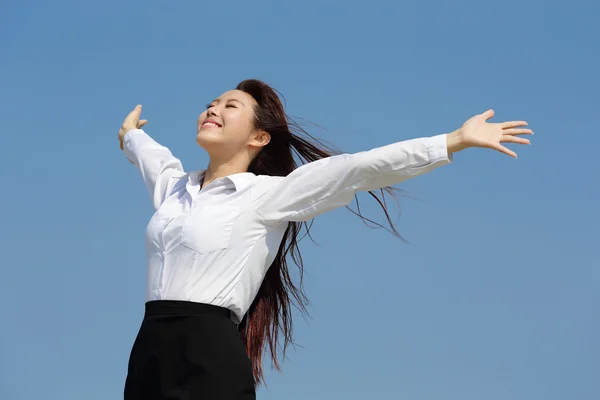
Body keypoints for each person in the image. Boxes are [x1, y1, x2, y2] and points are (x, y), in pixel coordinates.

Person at [119, 79, 532, 399]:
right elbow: (152, 158)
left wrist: (453, 140)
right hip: (148, 349)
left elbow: (359, 169)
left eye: (231, 106)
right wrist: (131, 136)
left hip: (208, 352)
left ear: (258, 137)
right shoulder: (175, 189)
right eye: (212, 103)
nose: (213, 109)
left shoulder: (267, 196)